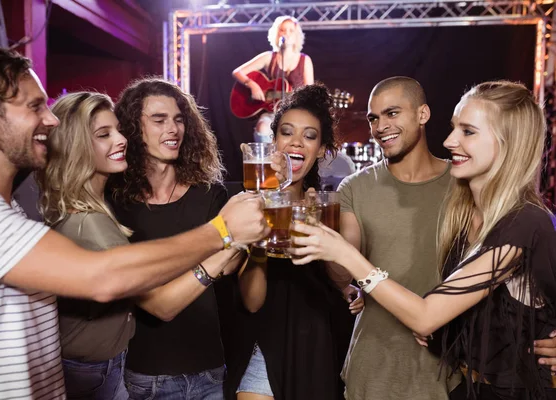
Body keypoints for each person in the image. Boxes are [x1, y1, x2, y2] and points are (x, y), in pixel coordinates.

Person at [0, 43, 269, 399]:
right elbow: (104, 277)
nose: (51, 119)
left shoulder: (0, 207)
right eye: (34, 106)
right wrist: (222, 231)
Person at [292, 80, 556, 399]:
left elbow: (426, 316)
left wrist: (347, 255)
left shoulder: (524, 220)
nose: (450, 140)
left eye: (468, 131)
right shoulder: (469, 207)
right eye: (454, 128)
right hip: (463, 385)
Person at [106, 77, 243, 399]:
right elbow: (156, 304)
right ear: (132, 128)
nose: (173, 129)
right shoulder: (115, 205)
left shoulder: (209, 194)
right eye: (159, 120)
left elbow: (235, 264)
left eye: (179, 119)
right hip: (146, 375)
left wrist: (230, 246)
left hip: (211, 369)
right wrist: (223, 245)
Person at [225, 83, 355, 400]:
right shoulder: (248, 204)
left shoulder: (328, 209)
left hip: (316, 355)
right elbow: (252, 302)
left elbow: (345, 281)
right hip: (262, 352)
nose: (297, 142)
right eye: (287, 132)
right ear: (274, 140)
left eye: (310, 136)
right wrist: (265, 214)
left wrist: (321, 238)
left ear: (323, 149)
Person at [35, 91, 136, 399]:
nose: (121, 140)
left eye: (117, 129)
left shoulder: (80, 205)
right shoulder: (88, 222)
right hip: (94, 369)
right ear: (76, 146)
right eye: (104, 134)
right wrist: (224, 237)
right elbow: (156, 297)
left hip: (94, 362)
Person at [232, 15, 314, 143]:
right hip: (271, 112)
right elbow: (238, 72)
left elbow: (311, 93)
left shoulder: (305, 60)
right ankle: (266, 162)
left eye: (290, 30)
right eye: (283, 30)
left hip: (296, 113)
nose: (286, 33)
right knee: (263, 127)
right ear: (277, 33)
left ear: (296, 35)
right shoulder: (269, 57)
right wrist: (252, 85)